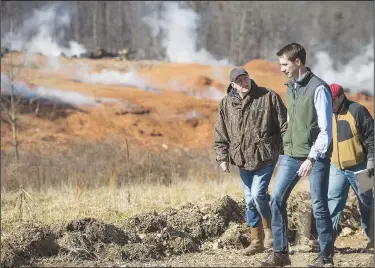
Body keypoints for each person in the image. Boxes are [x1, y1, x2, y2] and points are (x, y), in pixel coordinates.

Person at [260, 43, 334, 267]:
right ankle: (281, 254)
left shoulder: (319, 88)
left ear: (298, 62)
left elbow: (325, 130)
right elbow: (292, 121)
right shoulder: (291, 86)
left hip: (316, 155)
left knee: (319, 205)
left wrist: (312, 158)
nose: (281, 69)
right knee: (277, 198)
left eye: (285, 64)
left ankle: (326, 257)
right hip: (292, 154)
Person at [213, 67, 287, 255]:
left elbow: (284, 123)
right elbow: (220, 132)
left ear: (249, 78)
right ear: (232, 85)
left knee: (257, 194)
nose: (243, 83)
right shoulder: (226, 104)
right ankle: (256, 241)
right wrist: (222, 157)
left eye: (245, 79)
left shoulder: (268, 96)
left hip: (266, 155)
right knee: (249, 200)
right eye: (239, 81)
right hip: (242, 158)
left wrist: (289, 150)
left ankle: (269, 231)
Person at [327, 83, 374, 249]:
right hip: (336, 167)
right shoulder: (327, 111)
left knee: (367, 203)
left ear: (341, 97)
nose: (329, 103)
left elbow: (372, 137)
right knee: (332, 202)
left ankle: (373, 239)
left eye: (332, 100)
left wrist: (371, 163)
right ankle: (327, 244)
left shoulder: (357, 110)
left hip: (362, 166)